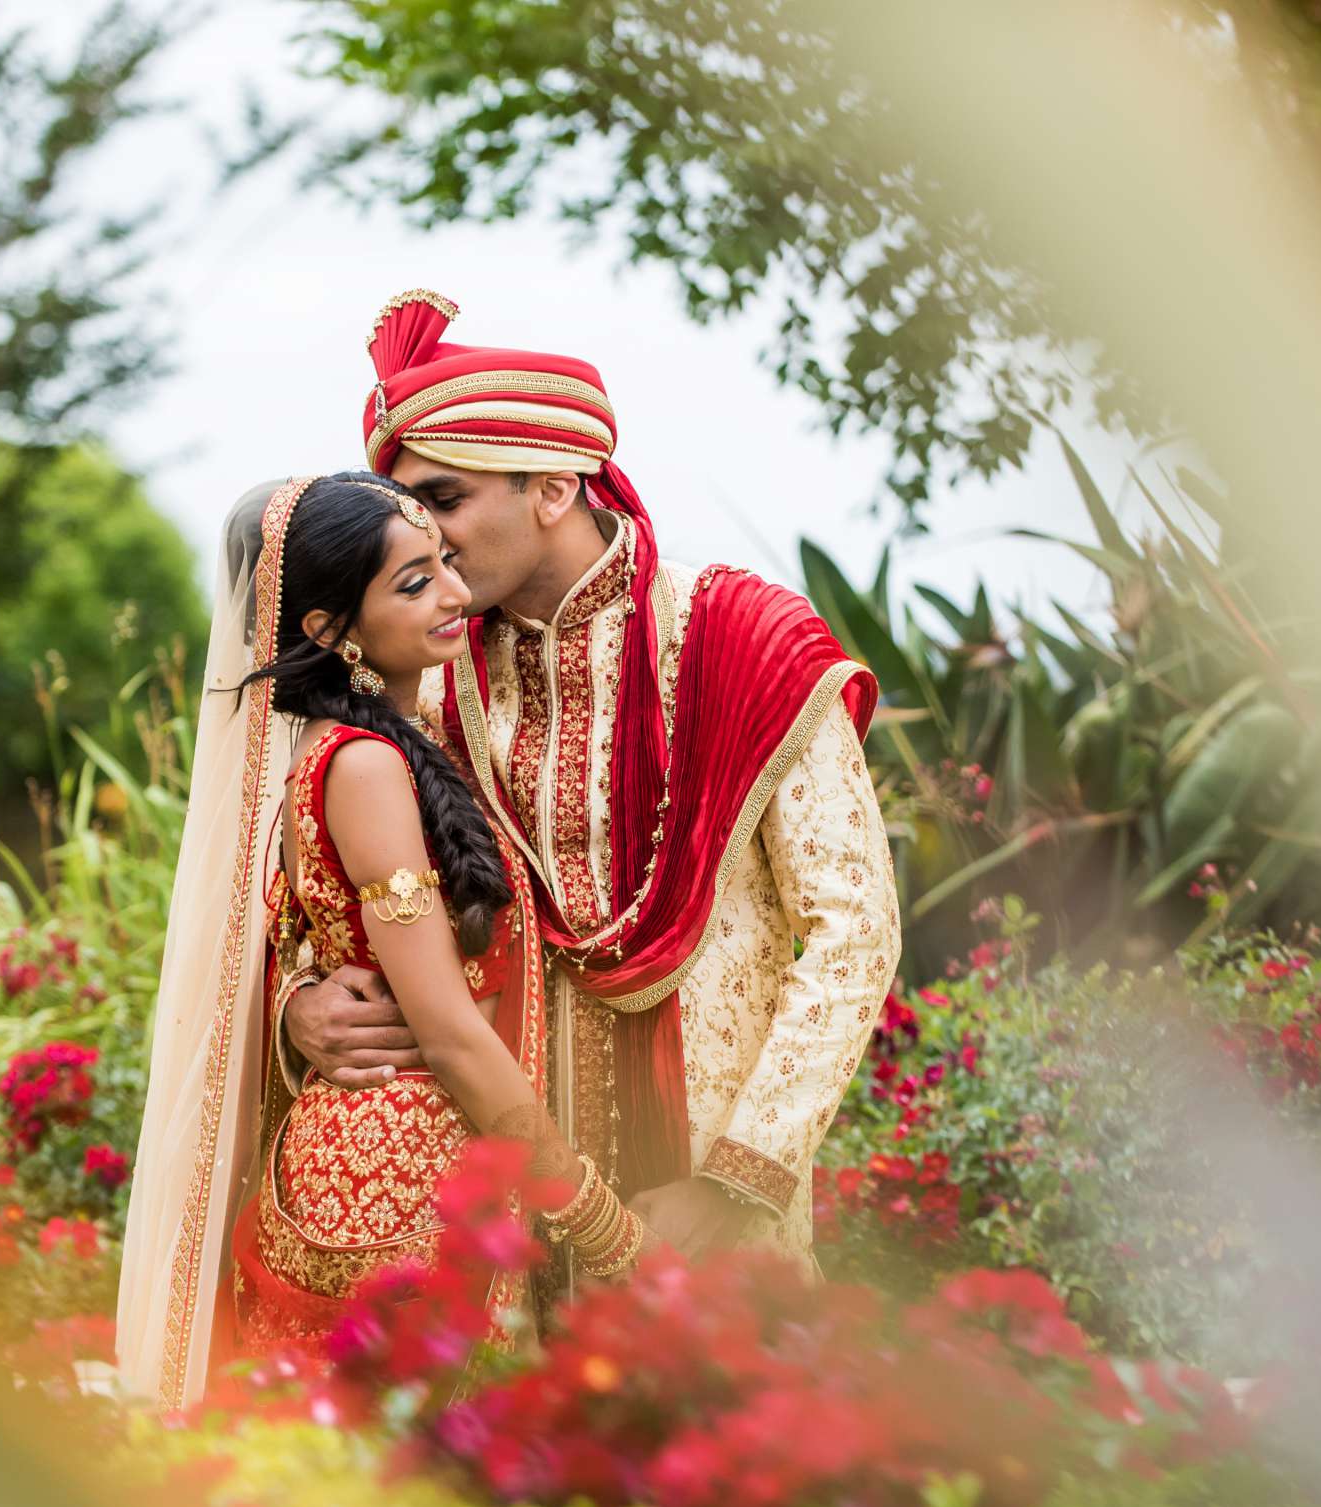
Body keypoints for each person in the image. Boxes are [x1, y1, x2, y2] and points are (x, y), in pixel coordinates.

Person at [277, 290, 901, 1272]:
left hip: (705, 1179)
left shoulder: (744, 642)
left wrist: (742, 1177)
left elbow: (852, 927)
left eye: (443, 500)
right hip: (488, 1199)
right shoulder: (419, 677)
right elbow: (312, 909)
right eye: (408, 512)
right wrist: (299, 1009)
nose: (424, 542)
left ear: (556, 488)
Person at [115, 471, 642, 1410]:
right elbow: (444, 1029)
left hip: (364, 1167)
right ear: (327, 630)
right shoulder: (364, 767)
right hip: (394, 1187)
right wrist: (595, 1219)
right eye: (412, 583)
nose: (451, 593)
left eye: (444, 563)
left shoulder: (363, 746)